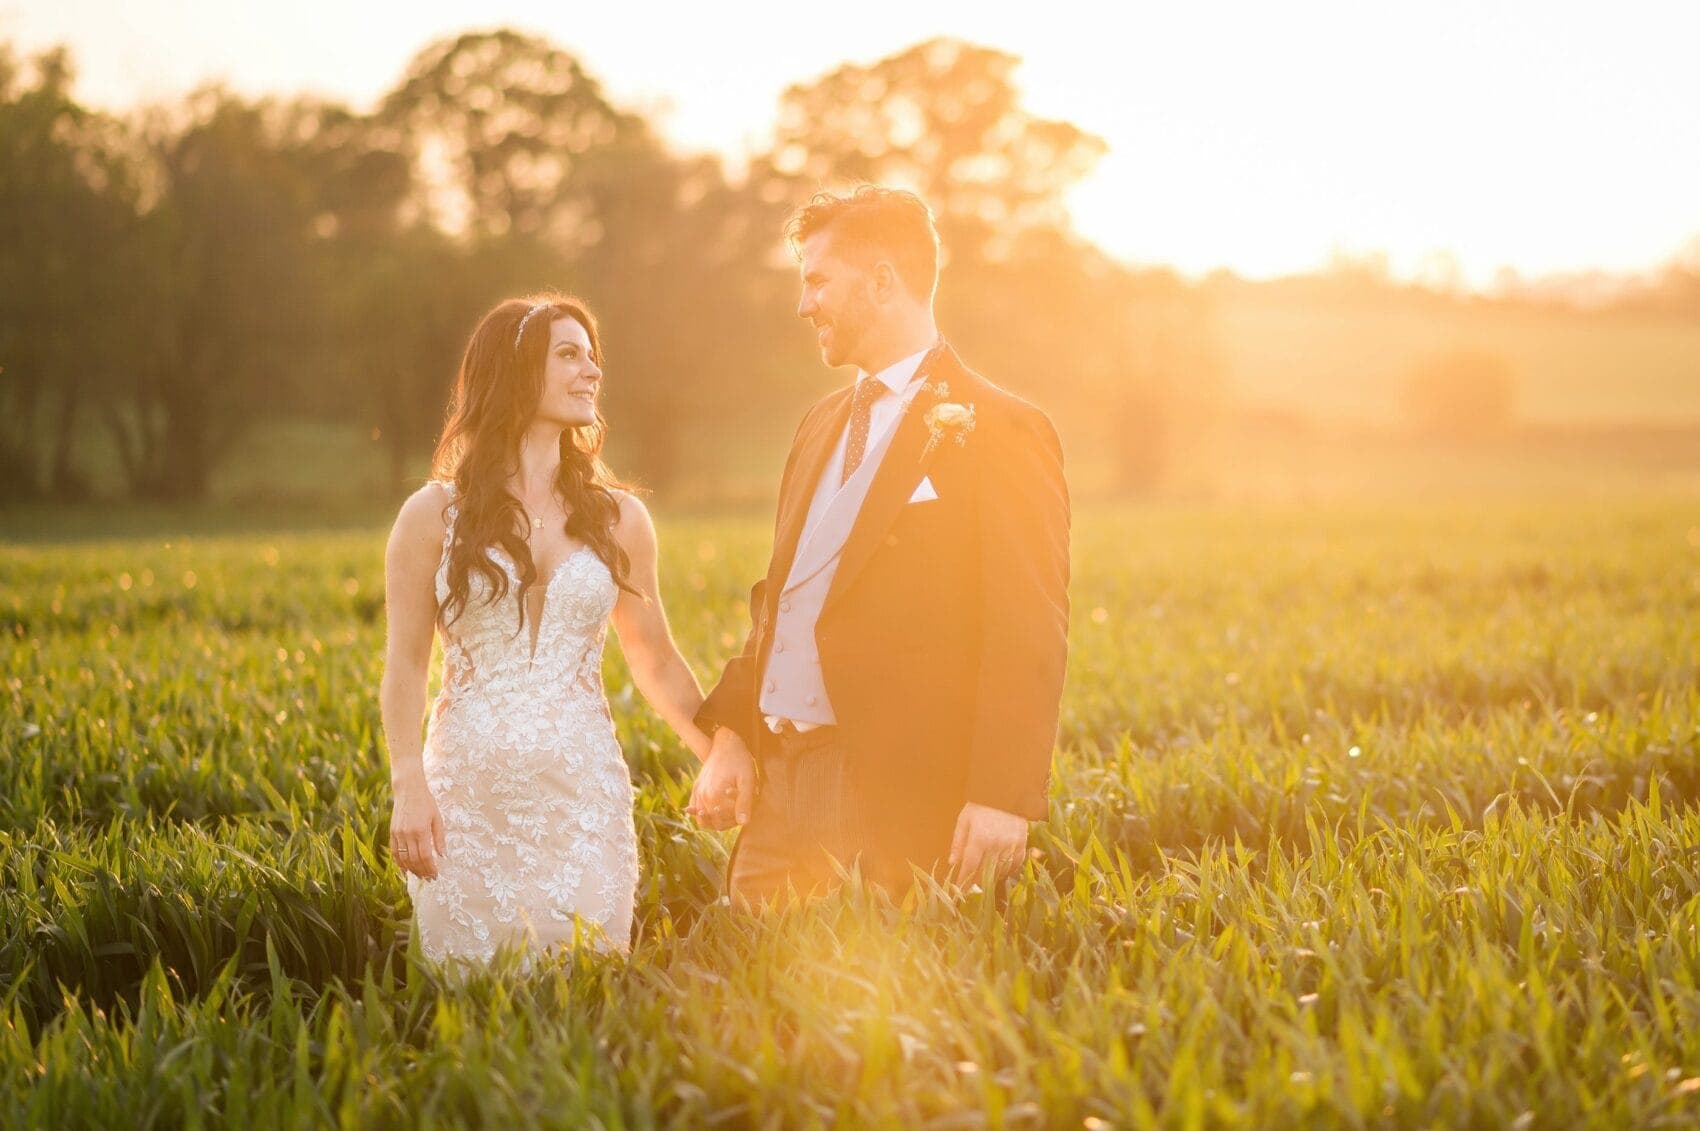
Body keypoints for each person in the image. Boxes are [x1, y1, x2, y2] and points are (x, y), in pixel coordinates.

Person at [688, 186, 1071, 903]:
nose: (805, 304)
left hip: (894, 793)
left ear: (884, 281)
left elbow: (1028, 628)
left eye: (818, 280)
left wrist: (1002, 795)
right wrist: (734, 737)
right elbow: (783, 597)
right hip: (780, 789)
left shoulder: (1002, 428)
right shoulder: (818, 425)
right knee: (738, 994)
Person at [381, 294, 711, 961]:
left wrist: (723, 753)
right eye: (568, 354)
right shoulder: (430, 516)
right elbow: (406, 664)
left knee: (586, 999)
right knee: (471, 1010)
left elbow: (656, 658)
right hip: (467, 801)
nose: (590, 370)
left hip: (583, 797)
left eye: (593, 357)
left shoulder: (619, 519)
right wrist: (408, 782)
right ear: (515, 369)